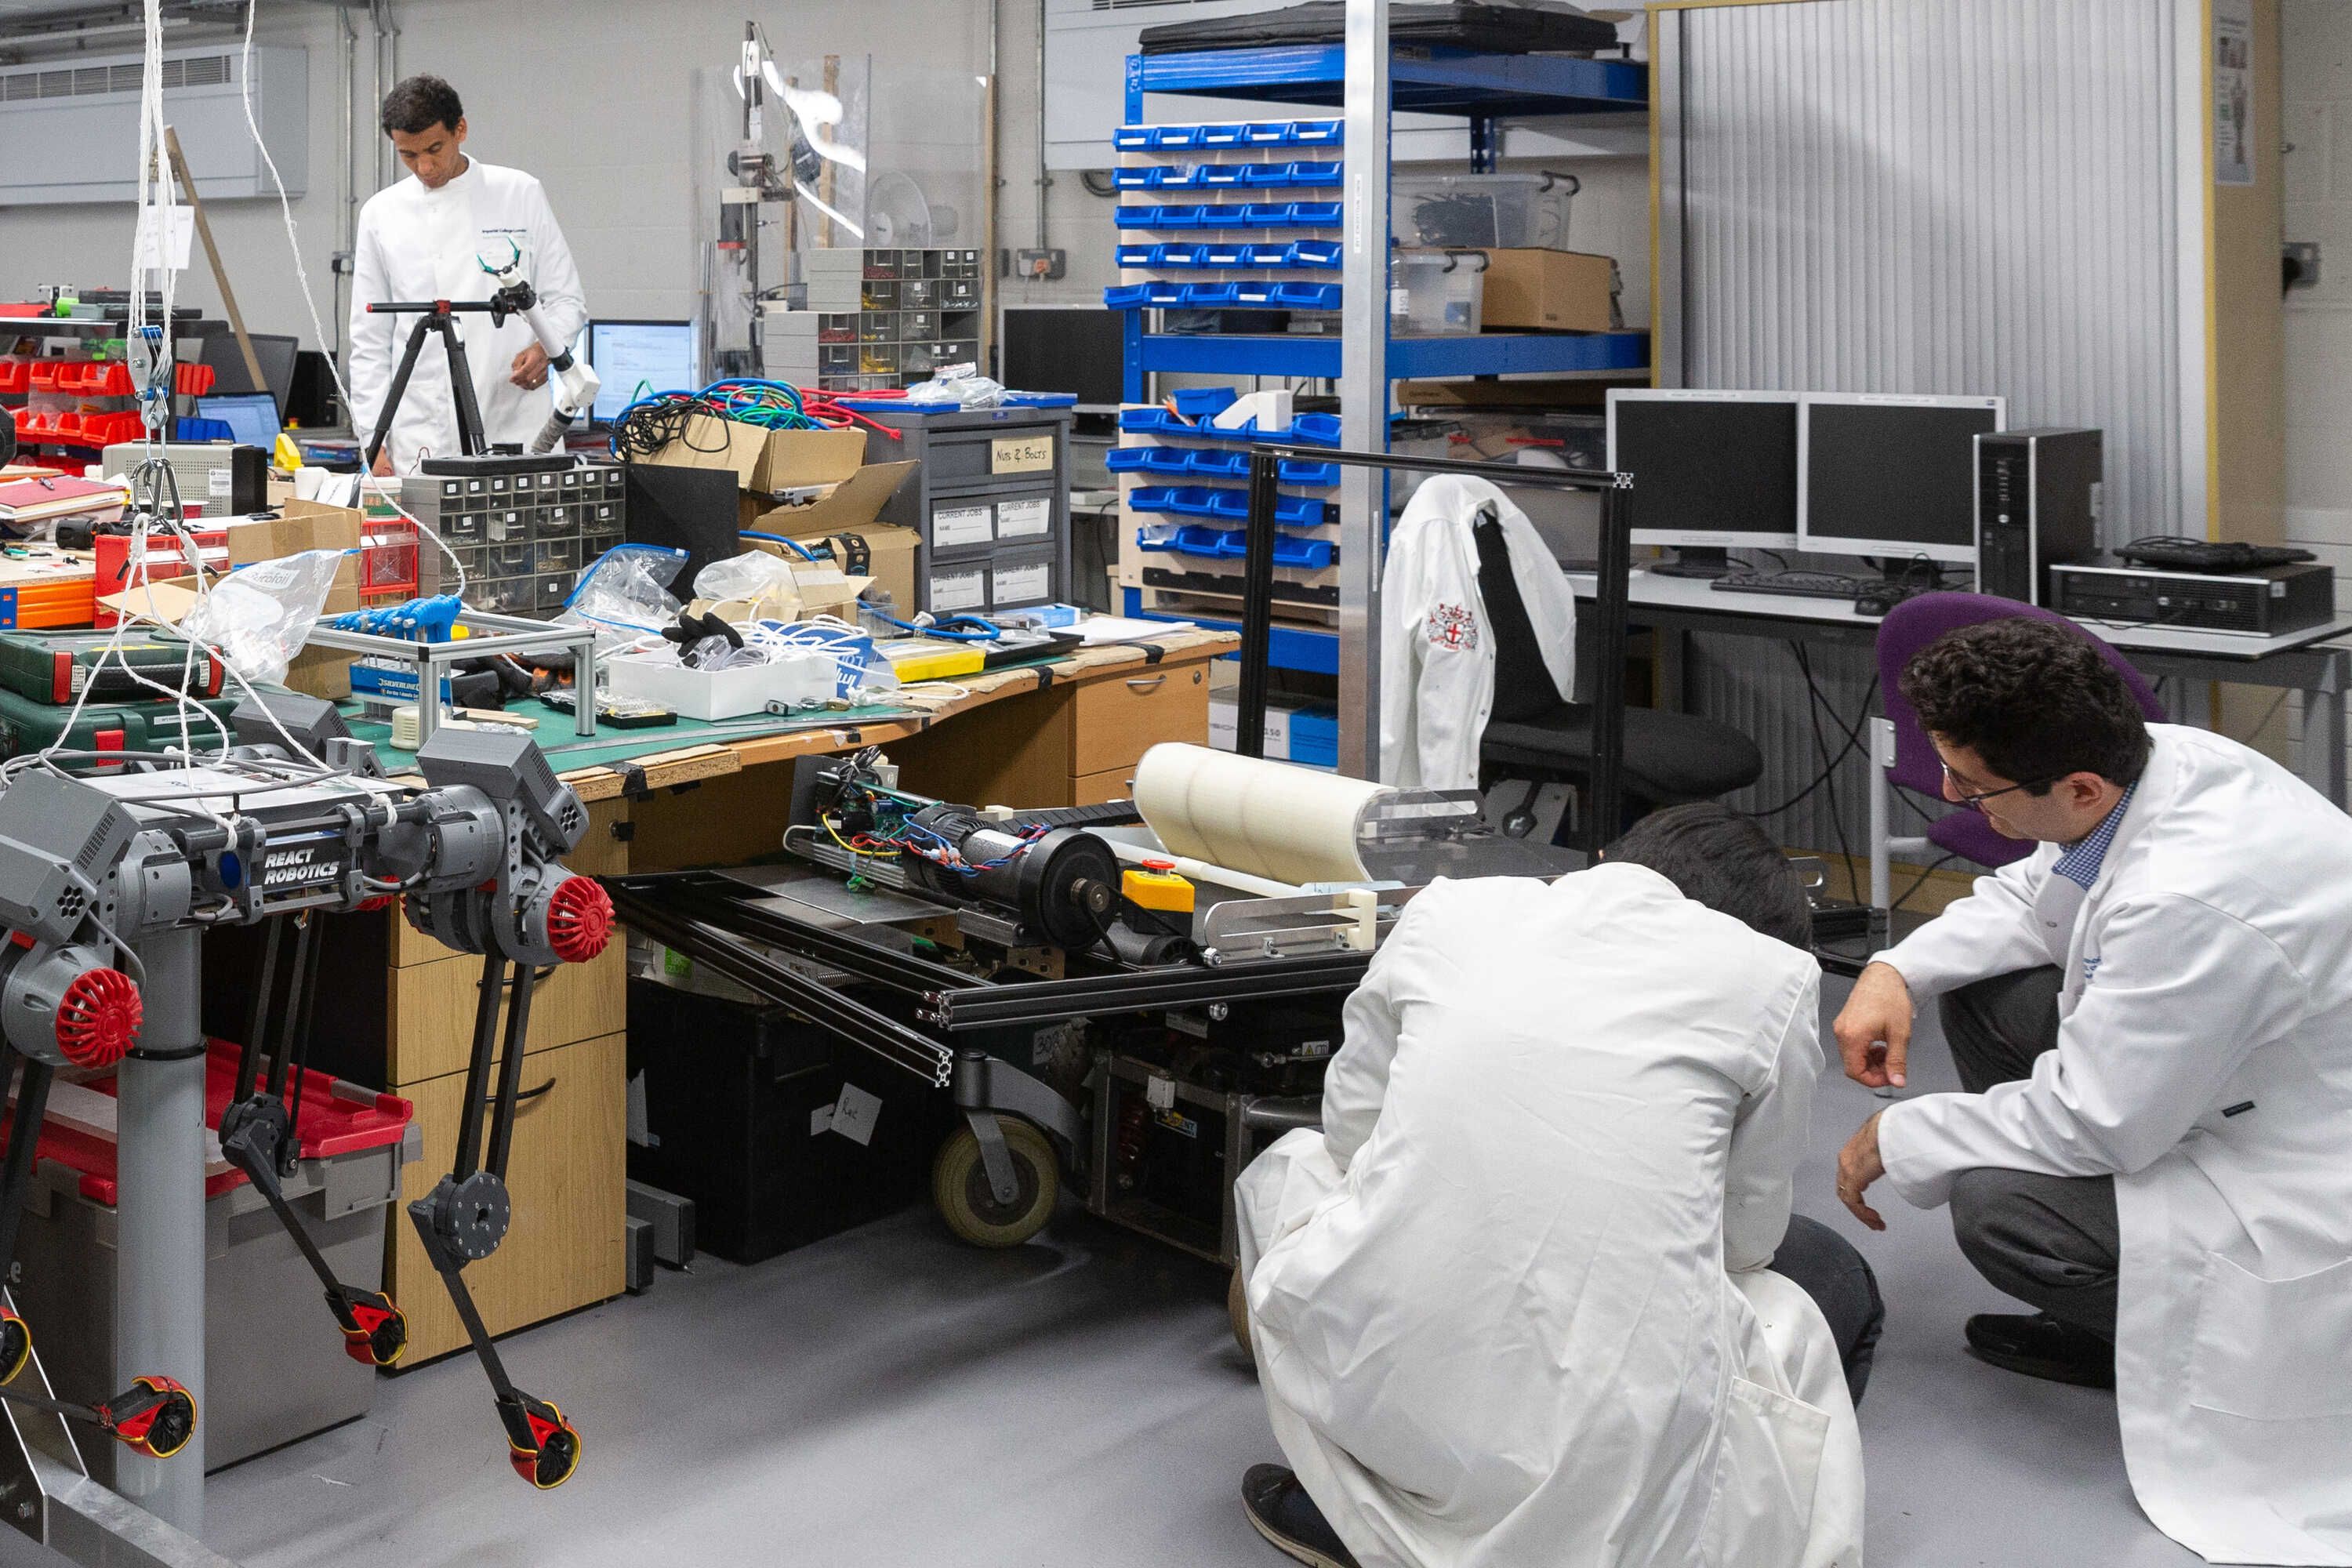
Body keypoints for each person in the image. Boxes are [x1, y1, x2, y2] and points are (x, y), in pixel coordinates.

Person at [1831, 616, 2352, 1566]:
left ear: (2076, 786)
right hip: (2217, 1070)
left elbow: (2097, 1122)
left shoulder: (2191, 895)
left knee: (2000, 1205)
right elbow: (2036, 896)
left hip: (2301, 1159)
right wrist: (1894, 970)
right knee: (1986, 991)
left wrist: (1900, 1137)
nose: (1950, 796)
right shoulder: (2156, 762)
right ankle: (2120, 1311)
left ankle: (2151, 1334)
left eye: (1969, 784)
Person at [1236, 804, 1876, 1568]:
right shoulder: (1773, 977)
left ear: (1606, 856)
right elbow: (1746, 1239)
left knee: (1299, 1164)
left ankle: (1351, 1501)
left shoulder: (1448, 907)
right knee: (1833, 1284)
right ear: (1758, 934)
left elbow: (1349, 1129)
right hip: (1606, 1473)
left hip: (1383, 1385)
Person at [348, 75, 586, 476]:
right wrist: (372, 438)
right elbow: (369, 340)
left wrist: (546, 349)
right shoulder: (380, 213)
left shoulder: (518, 192)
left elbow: (566, 300)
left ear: (461, 129)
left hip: (513, 414)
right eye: (408, 155)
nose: (425, 167)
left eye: (434, 149)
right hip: (419, 427)